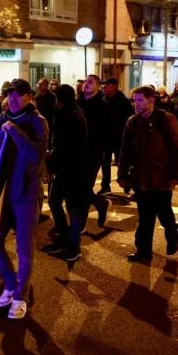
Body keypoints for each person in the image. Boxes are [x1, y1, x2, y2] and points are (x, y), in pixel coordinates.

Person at [0, 78, 48, 319]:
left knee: (24, 249)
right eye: (10, 94)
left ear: (29, 96)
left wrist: (14, 131)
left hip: (26, 194)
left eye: (19, 94)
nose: (13, 99)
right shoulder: (2, 117)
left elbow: (35, 155)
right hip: (2, 193)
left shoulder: (37, 121)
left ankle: (21, 296)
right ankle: (10, 283)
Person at [118, 86, 178, 262]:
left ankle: (172, 235)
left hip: (161, 176)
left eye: (140, 100)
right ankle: (143, 250)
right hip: (141, 178)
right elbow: (125, 151)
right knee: (145, 216)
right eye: (134, 100)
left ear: (151, 100)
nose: (136, 104)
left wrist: (177, 175)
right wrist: (122, 174)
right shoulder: (133, 122)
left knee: (164, 213)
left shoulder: (166, 119)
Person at [44, 84, 88, 262]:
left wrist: (53, 156)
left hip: (69, 169)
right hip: (73, 168)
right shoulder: (75, 112)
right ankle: (66, 239)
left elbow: (66, 145)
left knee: (70, 207)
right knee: (58, 203)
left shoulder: (67, 116)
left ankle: (73, 246)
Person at [75, 75, 112, 229]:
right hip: (76, 151)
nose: (86, 84)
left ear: (98, 87)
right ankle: (101, 203)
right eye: (85, 81)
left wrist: (102, 148)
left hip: (93, 152)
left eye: (90, 82)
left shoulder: (103, 106)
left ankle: (79, 225)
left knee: (84, 187)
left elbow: (107, 130)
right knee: (78, 187)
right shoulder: (77, 104)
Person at [101, 78, 134, 194]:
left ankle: (127, 182)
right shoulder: (104, 100)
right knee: (105, 162)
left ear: (114, 87)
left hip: (120, 135)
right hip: (107, 135)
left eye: (107, 86)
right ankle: (105, 185)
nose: (105, 88)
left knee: (123, 161)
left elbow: (130, 118)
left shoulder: (124, 101)